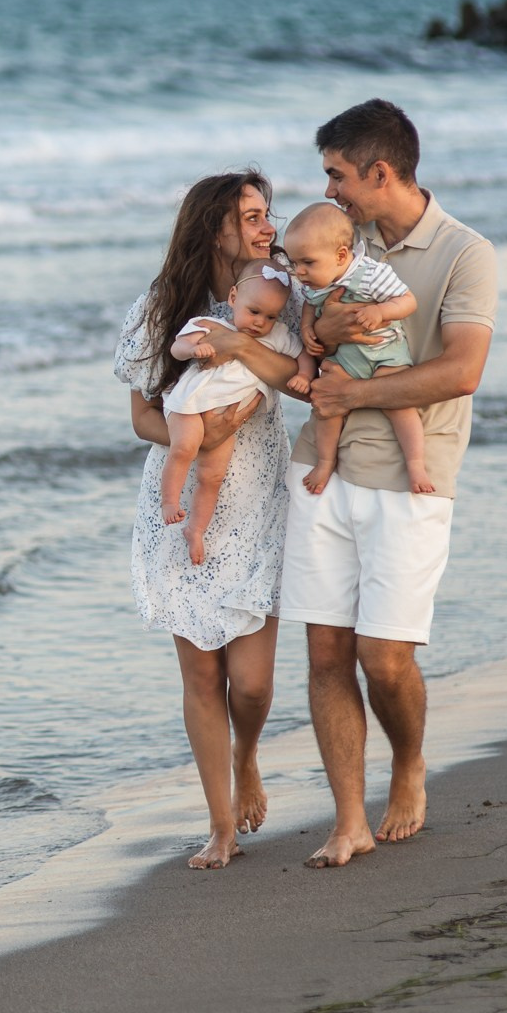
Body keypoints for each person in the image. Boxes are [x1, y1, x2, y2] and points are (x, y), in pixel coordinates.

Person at [279, 99, 497, 869]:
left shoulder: (465, 253)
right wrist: (322, 334)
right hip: (321, 473)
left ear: (379, 171)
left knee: (385, 658)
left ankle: (409, 761)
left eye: (338, 175)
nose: (330, 189)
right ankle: (348, 819)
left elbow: (462, 371)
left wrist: (356, 391)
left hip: (413, 482)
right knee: (326, 653)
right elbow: (304, 321)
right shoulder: (338, 243)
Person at [114, 170, 306, 869]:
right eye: (250, 215)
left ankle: (246, 753)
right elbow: (140, 415)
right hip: (179, 506)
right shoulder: (160, 309)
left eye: (266, 213)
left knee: (250, 684)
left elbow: (304, 381)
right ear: (213, 226)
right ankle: (220, 825)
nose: (265, 225)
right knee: (201, 677)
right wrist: (200, 433)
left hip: (257, 500)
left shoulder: (283, 299)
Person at [157, 268, 308, 565]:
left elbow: (302, 355)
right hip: (190, 404)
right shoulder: (209, 325)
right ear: (233, 297)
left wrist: (303, 373)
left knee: (212, 476)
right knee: (185, 447)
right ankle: (169, 501)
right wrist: (193, 348)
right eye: (254, 311)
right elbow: (177, 347)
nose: (260, 322)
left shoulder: (276, 336)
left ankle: (196, 530)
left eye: (270, 316)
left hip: (228, 422)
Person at [281, 202, 432, 495]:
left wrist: (381, 312)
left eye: (307, 263)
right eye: (294, 263)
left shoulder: (373, 273)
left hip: (384, 354)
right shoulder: (315, 281)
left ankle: (416, 464)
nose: (299, 272)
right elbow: (311, 307)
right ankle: (325, 462)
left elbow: (407, 301)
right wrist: (307, 329)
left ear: (340, 255)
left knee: (400, 406)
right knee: (327, 409)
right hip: (345, 361)